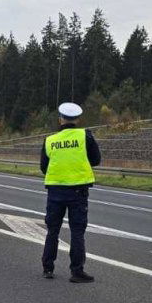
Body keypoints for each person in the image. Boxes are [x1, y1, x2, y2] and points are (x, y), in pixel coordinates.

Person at [40, 102, 101, 283]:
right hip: (78, 191)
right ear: (78, 119)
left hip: (55, 191)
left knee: (52, 230)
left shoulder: (50, 140)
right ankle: (77, 272)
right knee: (77, 231)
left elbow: (44, 167)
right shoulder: (85, 136)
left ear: (60, 119)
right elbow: (96, 160)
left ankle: (47, 268)